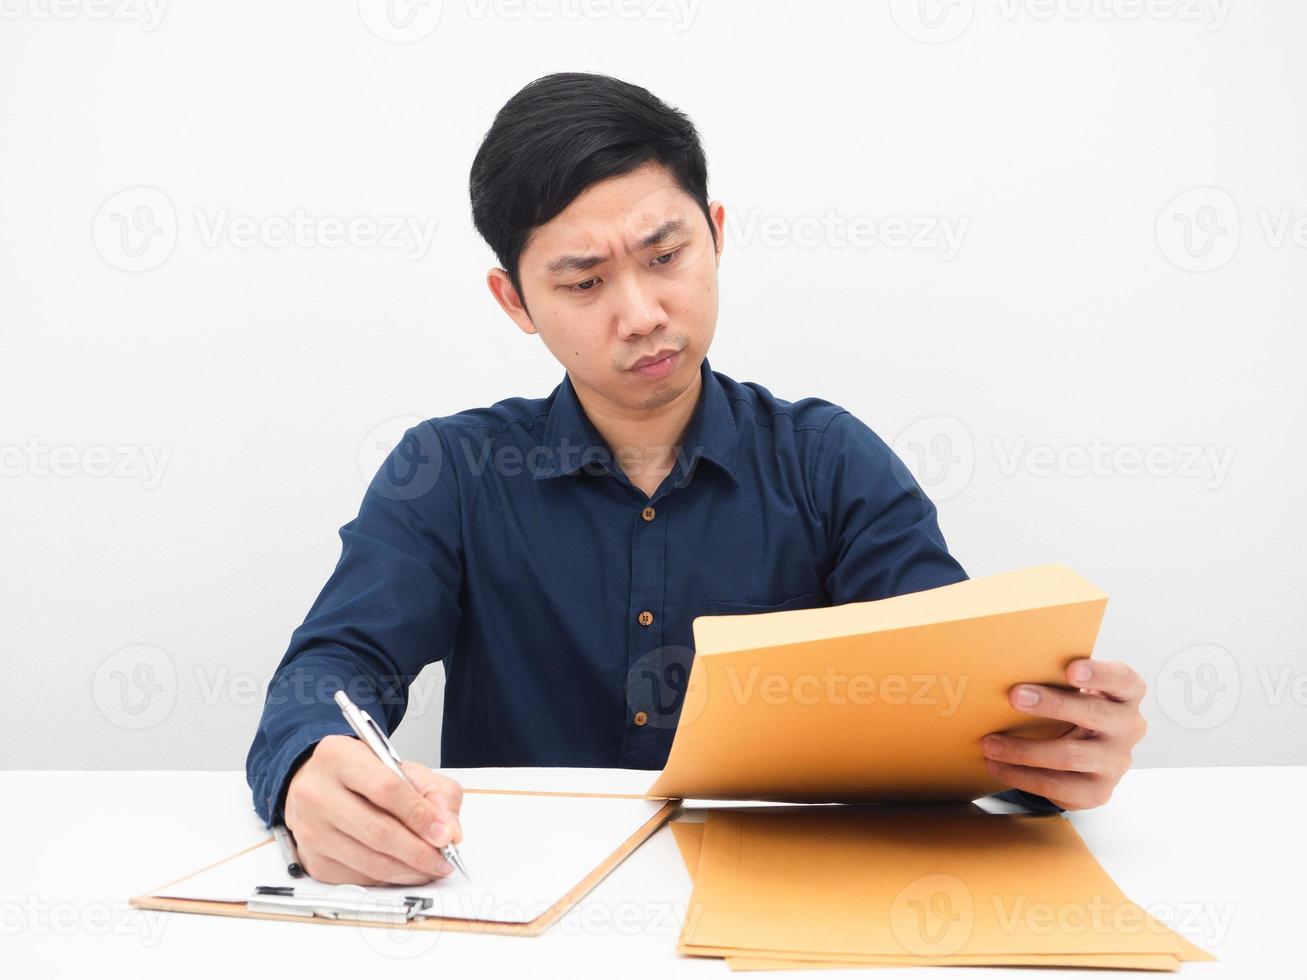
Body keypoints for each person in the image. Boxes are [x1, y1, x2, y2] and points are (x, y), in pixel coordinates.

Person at [245, 72, 1148, 887]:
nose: (641, 314)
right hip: (526, 913)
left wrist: (1048, 756)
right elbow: (331, 667)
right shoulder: (452, 471)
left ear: (715, 236)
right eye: (584, 282)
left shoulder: (828, 461)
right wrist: (307, 764)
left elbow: (953, 696)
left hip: (794, 903)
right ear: (514, 301)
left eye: (666, 255)